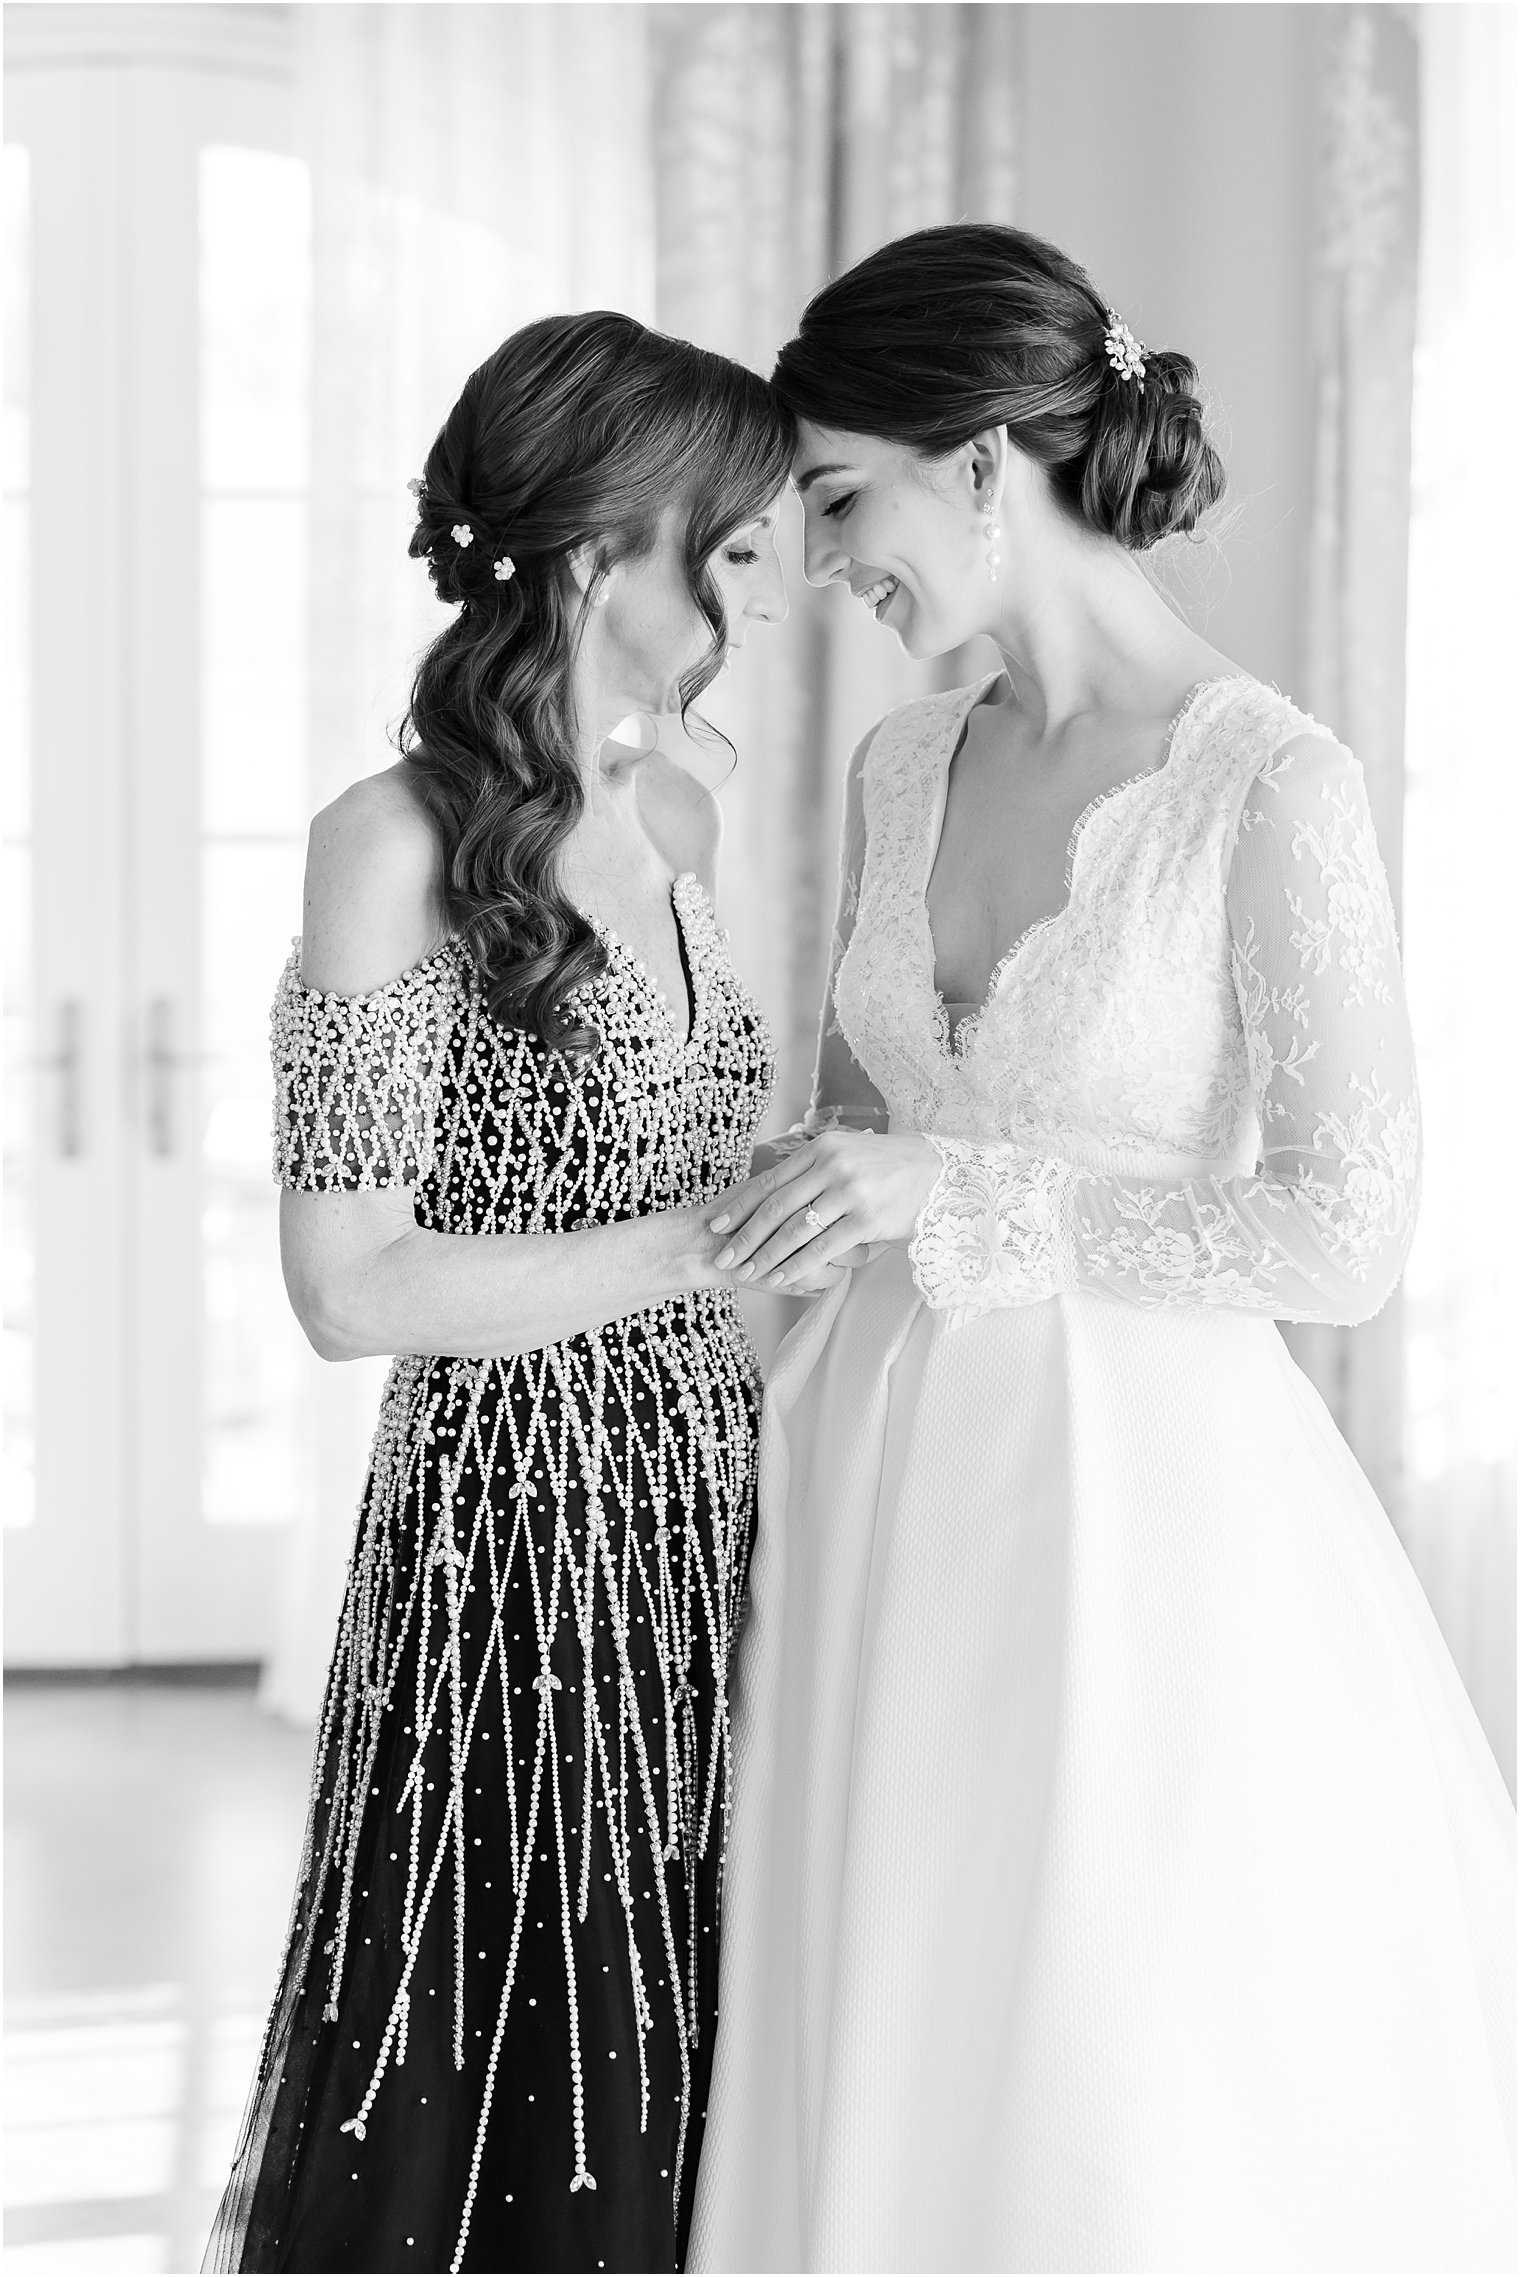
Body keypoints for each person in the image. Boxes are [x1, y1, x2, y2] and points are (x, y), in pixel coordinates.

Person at [688, 225, 1516, 2273]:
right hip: (865, 1474)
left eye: (837, 498)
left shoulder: (1268, 782)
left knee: (1095, 2036)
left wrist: (963, 1201)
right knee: (864, 1992)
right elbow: (862, 1134)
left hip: (1137, 1514)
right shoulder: (897, 763)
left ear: (982, 462)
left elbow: (1345, 1229)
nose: (816, 567)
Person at [204, 311, 793, 2276]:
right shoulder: (381, 849)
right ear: (587, 551)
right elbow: (344, 1283)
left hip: (728, 1515)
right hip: (512, 1552)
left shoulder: (689, 816)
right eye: (724, 543)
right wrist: (704, 1247)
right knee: (515, 2065)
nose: (760, 589)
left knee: (705, 2020)